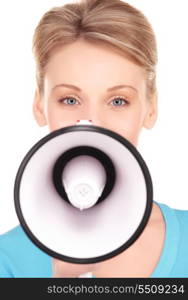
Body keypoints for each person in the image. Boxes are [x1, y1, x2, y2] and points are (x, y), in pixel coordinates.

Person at [0, 0, 188, 278]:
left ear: (151, 108)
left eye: (118, 101)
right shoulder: (8, 259)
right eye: (70, 99)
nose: (91, 122)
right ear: (39, 105)